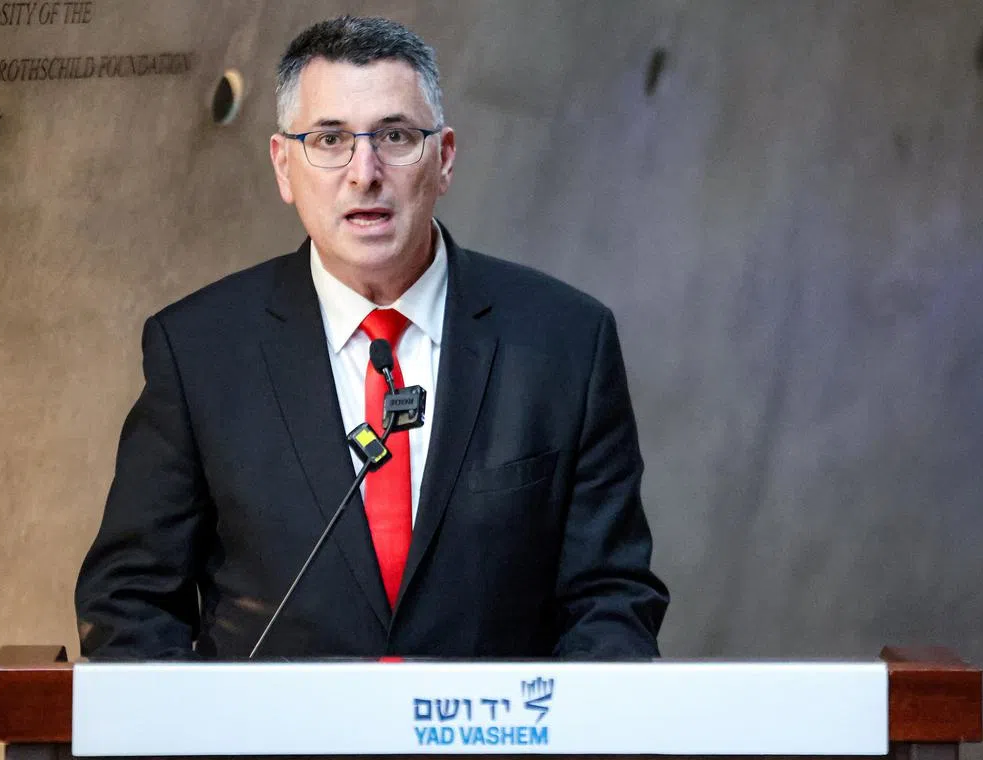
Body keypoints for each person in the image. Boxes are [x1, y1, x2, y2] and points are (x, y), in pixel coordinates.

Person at [74, 15, 668, 660]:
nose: (364, 172)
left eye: (395, 136)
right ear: (283, 166)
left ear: (444, 159)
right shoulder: (199, 351)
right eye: (329, 139)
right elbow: (131, 600)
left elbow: (610, 598)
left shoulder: (565, 343)